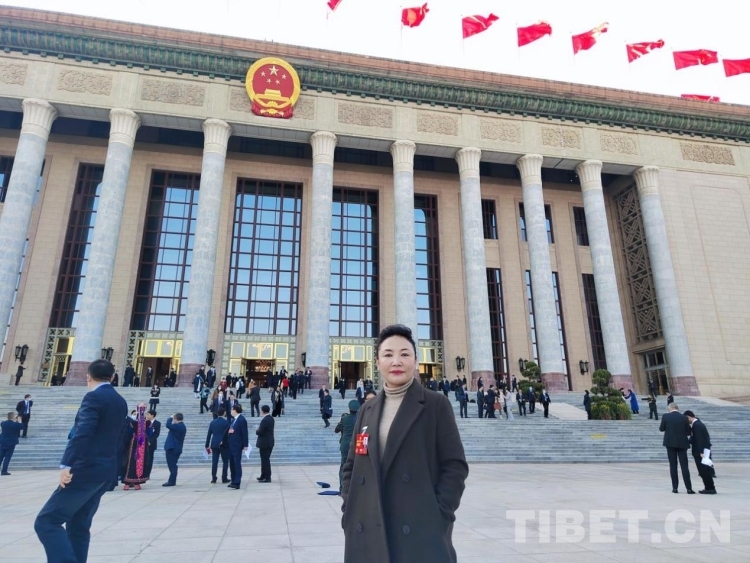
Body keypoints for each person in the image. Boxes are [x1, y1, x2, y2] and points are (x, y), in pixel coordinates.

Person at [341, 324, 468, 563]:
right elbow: (352, 463)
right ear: (377, 362)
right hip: (367, 528)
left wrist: (440, 513)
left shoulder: (435, 405)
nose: (396, 361)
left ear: (415, 361)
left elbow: (455, 466)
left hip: (419, 530)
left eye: (405, 354)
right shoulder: (367, 409)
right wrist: (349, 507)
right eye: (388, 354)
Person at [34, 359, 128, 563]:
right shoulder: (120, 401)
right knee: (78, 526)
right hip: (105, 471)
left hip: (86, 470)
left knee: (47, 522)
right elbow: (120, 438)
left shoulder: (93, 397)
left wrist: (67, 464)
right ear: (113, 377)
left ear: (88, 377)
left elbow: (83, 432)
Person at [659, 403, 694, 494]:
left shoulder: (665, 416)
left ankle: (675, 488)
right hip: (682, 444)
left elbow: (661, 428)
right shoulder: (684, 418)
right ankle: (689, 488)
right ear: (678, 408)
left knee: (673, 465)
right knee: (684, 466)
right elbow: (688, 431)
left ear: (670, 409)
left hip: (670, 443)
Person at [684, 410, 716, 494]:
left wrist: (701, 452)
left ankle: (710, 488)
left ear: (688, 417)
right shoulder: (697, 424)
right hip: (702, 451)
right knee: (703, 470)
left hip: (701, 452)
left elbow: (700, 439)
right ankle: (708, 487)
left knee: (704, 470)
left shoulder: (697, 425)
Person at [122, 403, 151, 491]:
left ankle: (130, 483)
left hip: (138, 442)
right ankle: (132, 482)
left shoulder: (136, 422)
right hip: (138, 443)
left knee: (135, 461)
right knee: (133, 461)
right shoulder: (141, 422)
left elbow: (129, 432)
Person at [335, 400, 360, 491]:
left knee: (343, 466)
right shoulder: (360, 418)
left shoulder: (344, 419)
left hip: (345, 444)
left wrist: (340, 422)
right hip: (357, 444)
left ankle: (342, 488)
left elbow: (336, 430)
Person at [225, 404, 248, 489]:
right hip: (231, 445)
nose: (231, 411)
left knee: (237, 464)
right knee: (232, 464)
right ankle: (233, 480)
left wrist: (245, 445)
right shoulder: (233, 420)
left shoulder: (242, 420)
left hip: (237, 445)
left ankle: (237, 482)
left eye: (232, 409)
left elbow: (244, 433)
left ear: (235, 410)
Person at [206, 408, 231, 484]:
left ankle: (214, 477)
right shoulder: (226, 422)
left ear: (217, 413)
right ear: (224, 413)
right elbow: (228, 434)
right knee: (225, 461)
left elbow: (209, 434)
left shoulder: (213, 422)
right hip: (224, 444)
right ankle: (224, 477)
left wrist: (207, 445)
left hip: (214, 443)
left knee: (214, 461)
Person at [162, 413, 186, 487]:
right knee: (173, 465)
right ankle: (172, 480)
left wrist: (170, 417)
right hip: (177, 448)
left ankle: (171, 481)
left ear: (175, 419)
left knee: (172, 465)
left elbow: (168, 425)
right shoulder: (182, 426)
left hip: (172, 448)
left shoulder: (177, 426)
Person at [256, 405, 275, 483]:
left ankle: (267, 477)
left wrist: (257, 430)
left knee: (265, 460)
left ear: (263, 411)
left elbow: (260, 431)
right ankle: (263, 475)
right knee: (264, 459)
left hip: (265, 443)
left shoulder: (265, 420)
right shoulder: (271, 418)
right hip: (269, 442)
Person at [144, 411, 160, 479]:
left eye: (148, 414)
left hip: (151, 444)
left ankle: (147, 474)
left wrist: (150, 441)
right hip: (143, 443)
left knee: (149, 459)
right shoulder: (144, 422)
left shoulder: (157, 423)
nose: (146, 415)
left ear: (152, 415)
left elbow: (156, 434)